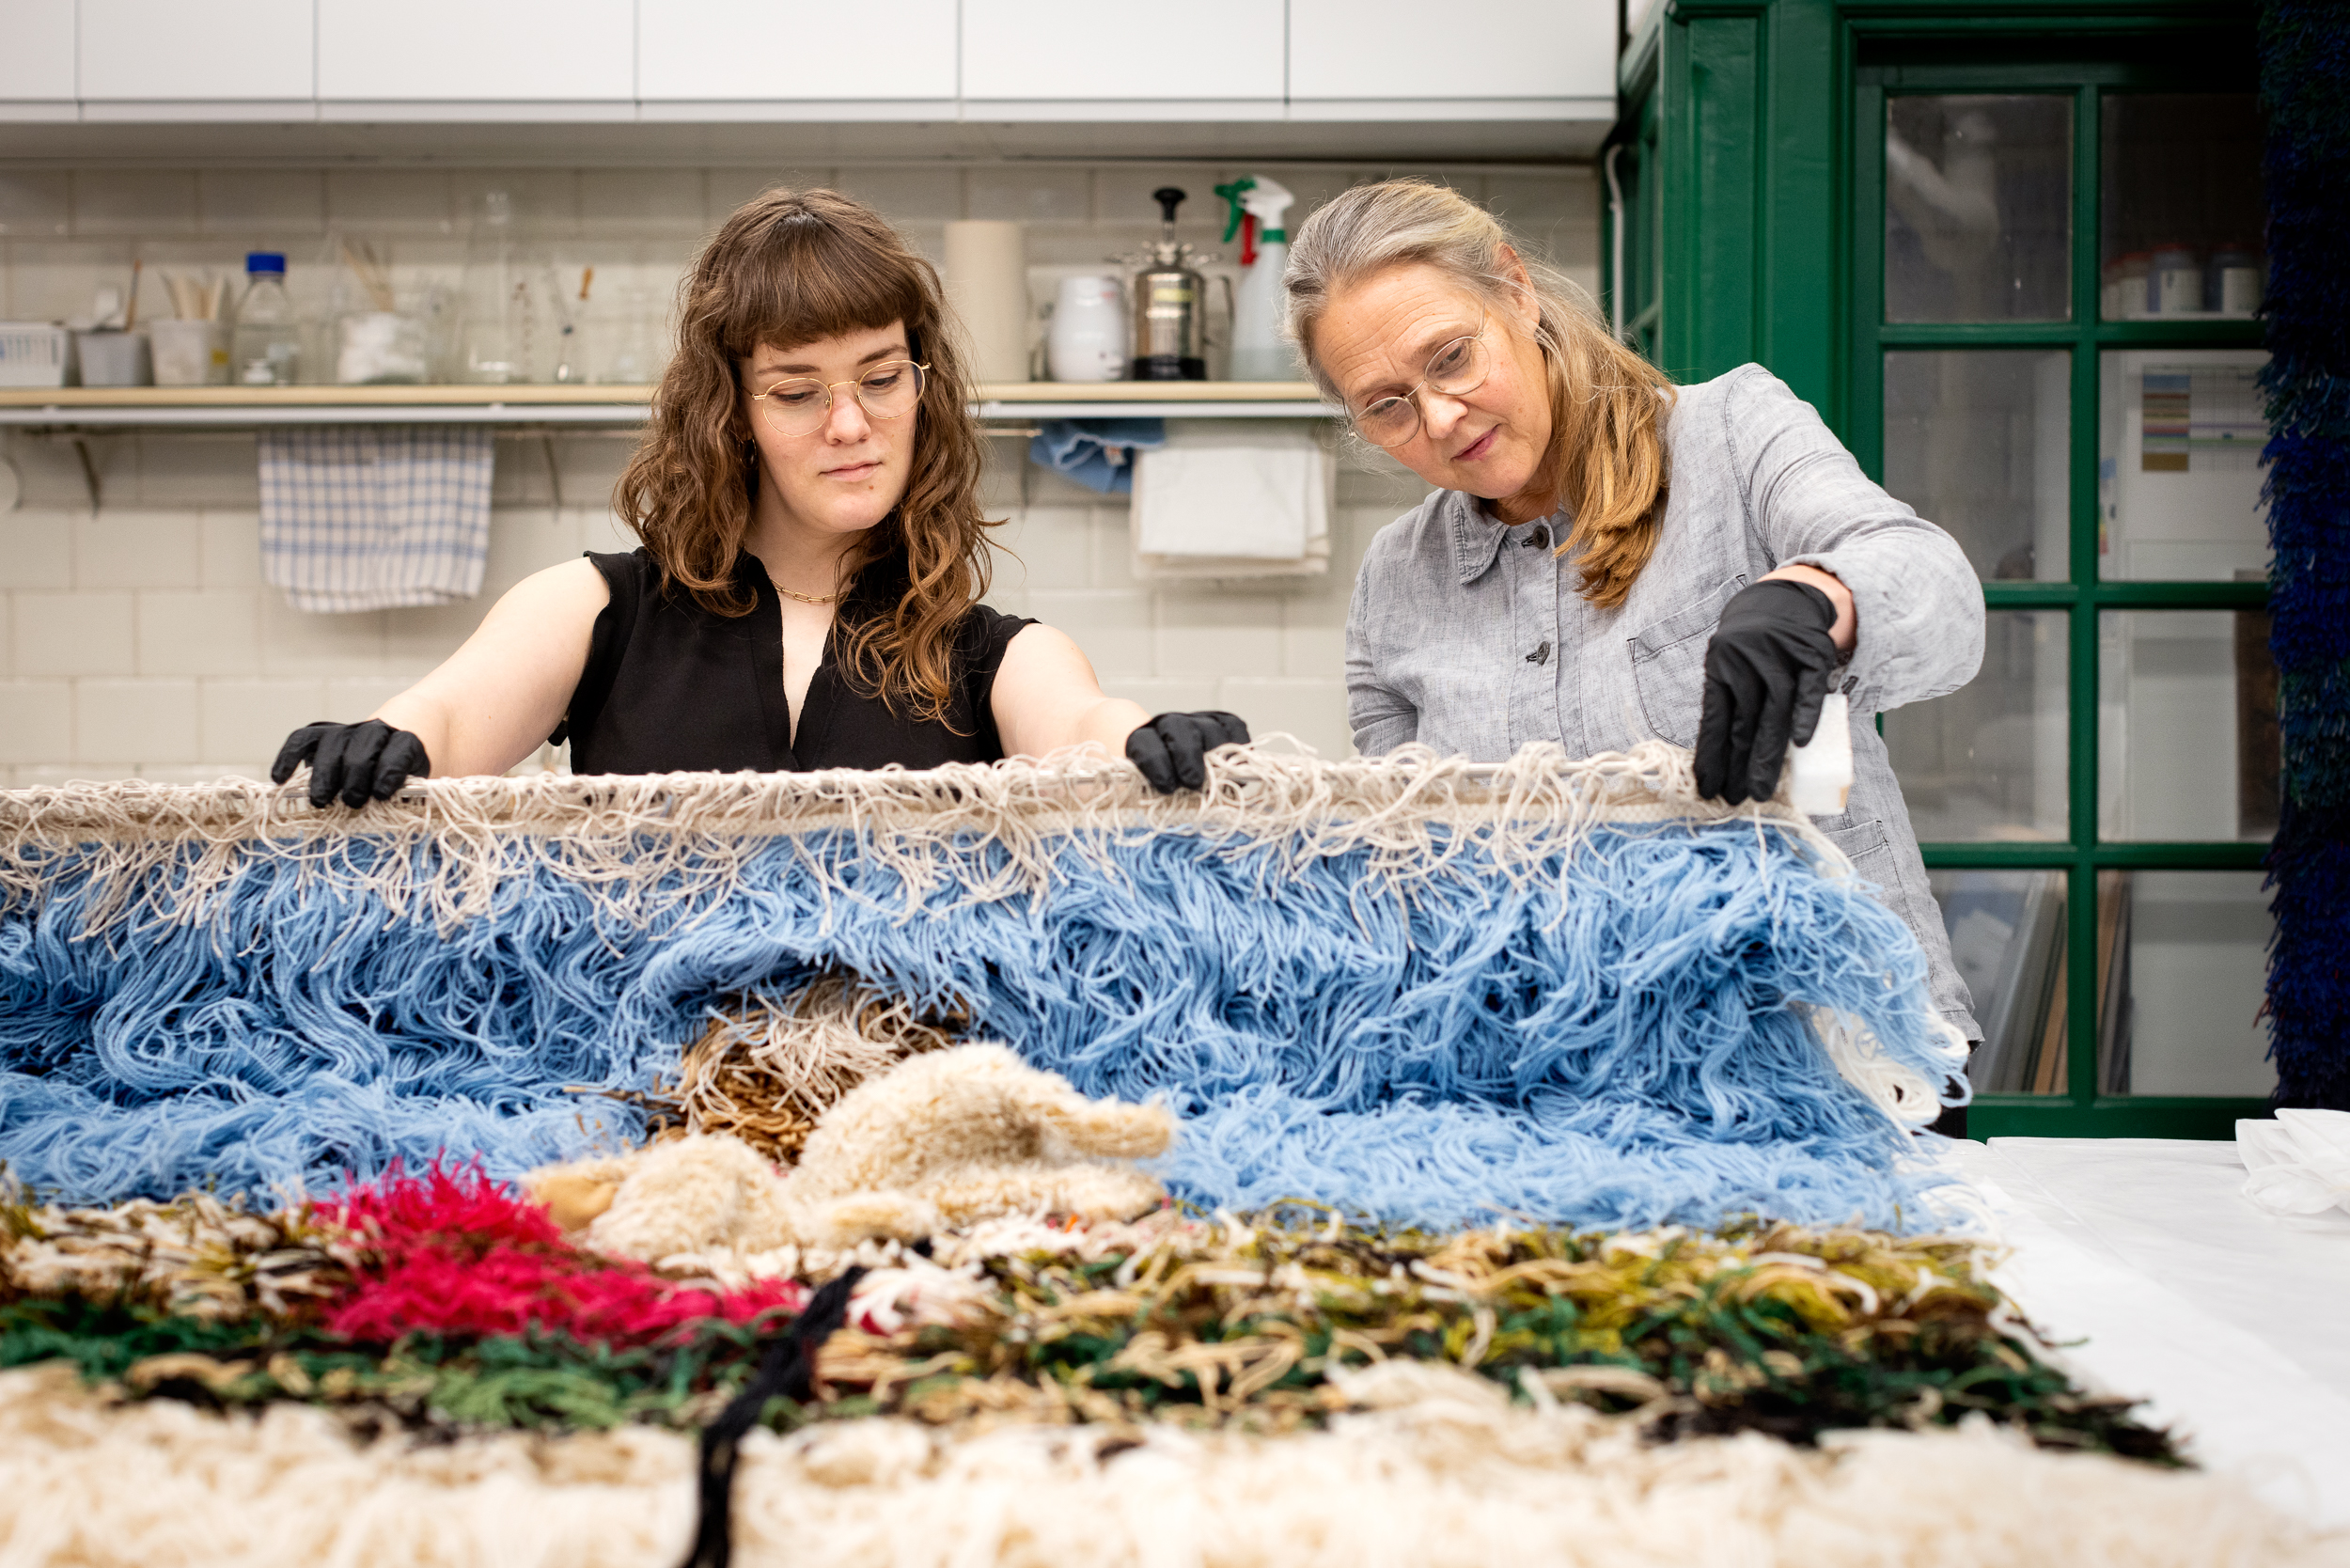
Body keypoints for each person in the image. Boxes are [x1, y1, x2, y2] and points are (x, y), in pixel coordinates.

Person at [1283, 179, 1985, 1115]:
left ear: (1515, 291)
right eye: (1387, 406)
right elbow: (1412, 872)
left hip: (1837, 1063)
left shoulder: (1730, 435)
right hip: (1544, 1091)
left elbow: (1936, 590)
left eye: (1451, 357)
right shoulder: (1395, 578)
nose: (1440, 417)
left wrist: (1819, 598)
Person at [273, 187, 1247, 804]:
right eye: (795, 391)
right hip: (651, 1084)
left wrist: (1135, 735)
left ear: (922, 385)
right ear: (730, 411)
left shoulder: (996, 655)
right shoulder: (593, 611)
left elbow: (1079, 727)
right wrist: (389, 735)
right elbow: (444, 719)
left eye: (880, 377)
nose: (851, 425)